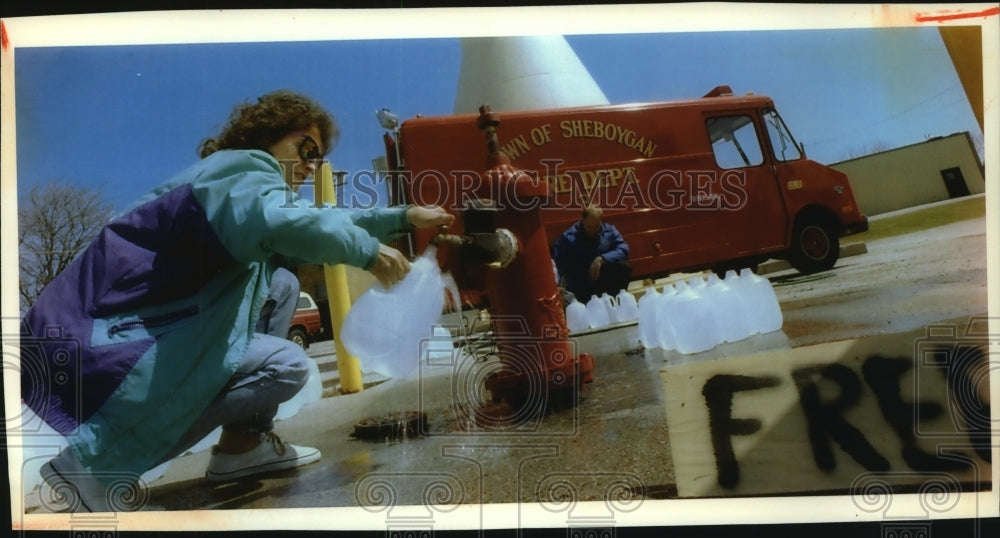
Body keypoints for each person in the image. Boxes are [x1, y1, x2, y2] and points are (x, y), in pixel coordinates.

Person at [21, 90, 453, 512]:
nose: (310, 165)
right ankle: (96, 470)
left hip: (97, 339)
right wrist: (369, 252)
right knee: (288, 365)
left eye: (317, 158)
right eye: (305, 149)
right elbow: (284, 220)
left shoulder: (232, 185)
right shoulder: (241, 172)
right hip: (108, 345)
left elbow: (307, 221)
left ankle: (241, 447)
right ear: (267, 136)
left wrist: (399, 217)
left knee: (280, 283)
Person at [551, 205, 632, 303]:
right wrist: (558, 286)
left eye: (596, 226)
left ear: (601, 221)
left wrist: (601, 259)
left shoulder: (609, 231)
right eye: (589, 227)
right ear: (583, 220)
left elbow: (623, 249)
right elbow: (558, 264)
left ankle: (616, 301)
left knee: (623, 266)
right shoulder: (568, 238)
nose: (593, 230)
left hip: (602, 279)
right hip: (580, 282)